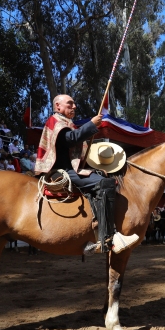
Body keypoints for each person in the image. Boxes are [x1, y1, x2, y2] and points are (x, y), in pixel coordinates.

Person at [34, 94, 137, 254]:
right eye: (70, 104)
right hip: (59, 171)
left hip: (69, 169)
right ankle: (107, 238)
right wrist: (91, 125)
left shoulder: (67, 123)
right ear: (58, 107)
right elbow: (70, 140)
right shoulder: (56, 121)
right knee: (106, 184)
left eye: (74, 104)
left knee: (103, 178)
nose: (74, 106)